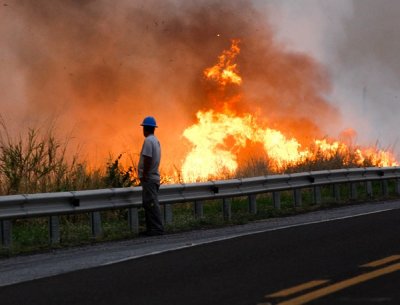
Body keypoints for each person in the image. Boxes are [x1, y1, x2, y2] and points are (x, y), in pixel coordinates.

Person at [138, 116, 164, 236]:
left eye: (143, 127)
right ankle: (151, 229)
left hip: (149, 178)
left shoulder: (148, 141)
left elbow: (148, 158)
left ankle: (157, 229)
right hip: (154, 177)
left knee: (152, 204)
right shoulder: (156, 140)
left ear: (146, 128)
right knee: (149, 203)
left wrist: (144, 174)